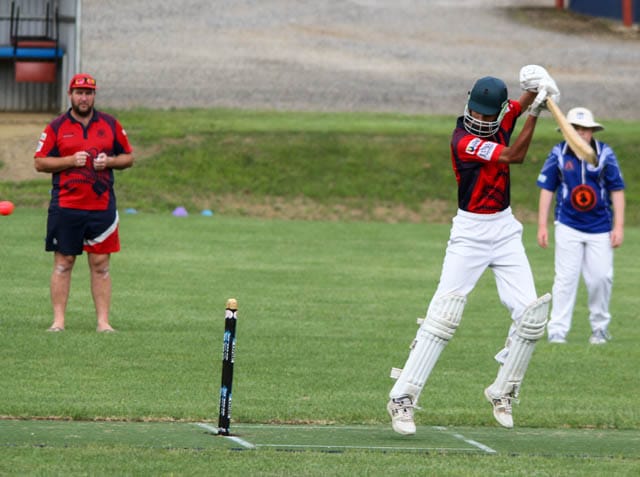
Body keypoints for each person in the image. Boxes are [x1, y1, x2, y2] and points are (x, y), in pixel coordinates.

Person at [386, 65, 560, 434]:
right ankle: (402, 399)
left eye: (486, 114)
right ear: (468, 105)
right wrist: (535, 114)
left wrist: (538, 87)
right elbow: (514, 156)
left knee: (531, 317)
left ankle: (503, 390)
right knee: (443, 315)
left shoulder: (503, 118)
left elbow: (521, 102)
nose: (479, 119)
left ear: (497, 111)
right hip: (470, 232)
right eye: (476, 112)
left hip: (505, 229)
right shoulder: (462, 141)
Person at [34, 73, 134, 333]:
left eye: (88, 93)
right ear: (70, 95)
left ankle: (103, 323)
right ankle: (58, 322)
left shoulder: (110, 124)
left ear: (94, 96)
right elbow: (40, 162)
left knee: (101, 266)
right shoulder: (56, 127)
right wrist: (70, 160)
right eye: (79, 93)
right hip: (66, 206)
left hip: (101, 208)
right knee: (63, 263)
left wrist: (109, 161)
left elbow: (128, 157)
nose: (84, 98)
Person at [536, 107, 625, 345]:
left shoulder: (605, 154)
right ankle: (557, 330)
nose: (581, 133)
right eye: (575, 129)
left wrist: (618, 227)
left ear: (592, 131)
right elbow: (547, 189)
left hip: (600, 226)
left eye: (585, 129)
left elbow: (617, 190)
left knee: (600, 278)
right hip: (568, 224)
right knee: (565, 279)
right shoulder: (558, 153)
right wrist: (542, 225)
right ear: (567, 131)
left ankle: (600, 328)